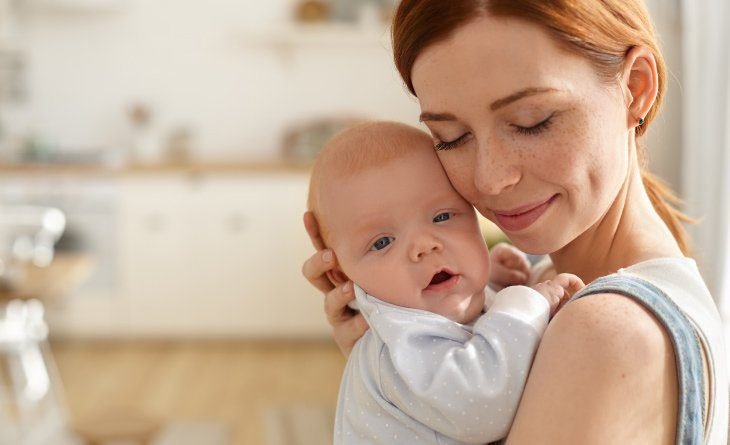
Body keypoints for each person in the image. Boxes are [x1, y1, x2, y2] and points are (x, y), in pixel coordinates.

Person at [302, 0, 728, 443]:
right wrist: (392, 372)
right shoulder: (541, 285)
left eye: (531, 122)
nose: (490, 178)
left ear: (635, 88)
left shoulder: (604, 330)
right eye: (451, 139)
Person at [308, 120, 584, 444]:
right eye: (382, 242)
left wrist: (488, 284)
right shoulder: (401, 345)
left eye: (442, 217)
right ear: (342, 276)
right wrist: (524, 303)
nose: (425, 246)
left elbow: (461, 325)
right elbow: (482, 404)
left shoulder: (419, 310)